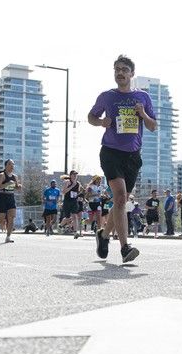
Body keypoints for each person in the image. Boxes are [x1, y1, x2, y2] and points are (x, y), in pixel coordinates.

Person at [88, 54, 156, 263]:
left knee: (121, 201)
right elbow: (91, 117)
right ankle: (125, 247)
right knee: (119, 198)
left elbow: (153, 126)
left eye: (124, 69)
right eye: (117, 69)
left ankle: (104, 235)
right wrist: (101, 122)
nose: (120, 73)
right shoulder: (107, 96)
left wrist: (143, 114)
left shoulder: (143, 97)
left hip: (133, 156)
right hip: (111, 152)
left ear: (132, 74)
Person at [0, 159, 21, 243]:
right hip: (2, 197)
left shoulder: (15, 176)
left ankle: (8, 237)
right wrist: (7, 184)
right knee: (1, 219)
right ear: (6, 166)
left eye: (13, 164)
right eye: (10, 164)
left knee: (11, 218)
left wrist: (19, 186)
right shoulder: (2, 175)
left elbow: (16, 187)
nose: (12, 166)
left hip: (11, 197)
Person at [61, 170, 82, 239]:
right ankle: (61, 225)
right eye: (73, 174)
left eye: (76, 174)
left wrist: (79, 196)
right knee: (67, 218)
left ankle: (75, 232)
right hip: (67, 201)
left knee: (75, 216)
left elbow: (77, 193)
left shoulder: (78, 183)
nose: (75, 176)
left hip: (74, 202)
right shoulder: (67, 182)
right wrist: (71, 186)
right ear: (70, 175)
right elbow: (63, 192)